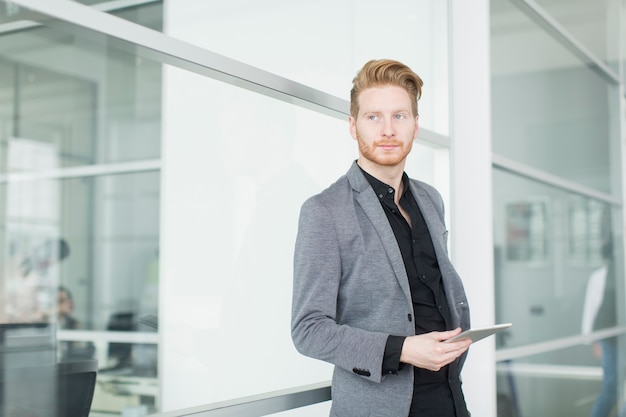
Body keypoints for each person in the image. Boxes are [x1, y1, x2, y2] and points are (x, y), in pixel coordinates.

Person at [291, 59, 472, 417]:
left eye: (399, 116)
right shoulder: (324, 211)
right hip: (379, 407)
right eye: (373, 117)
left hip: (450, 399)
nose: (387, 129)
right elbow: (308, 330)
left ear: (416, 126)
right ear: (352, 125)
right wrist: (401, 349)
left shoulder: (431, 199)